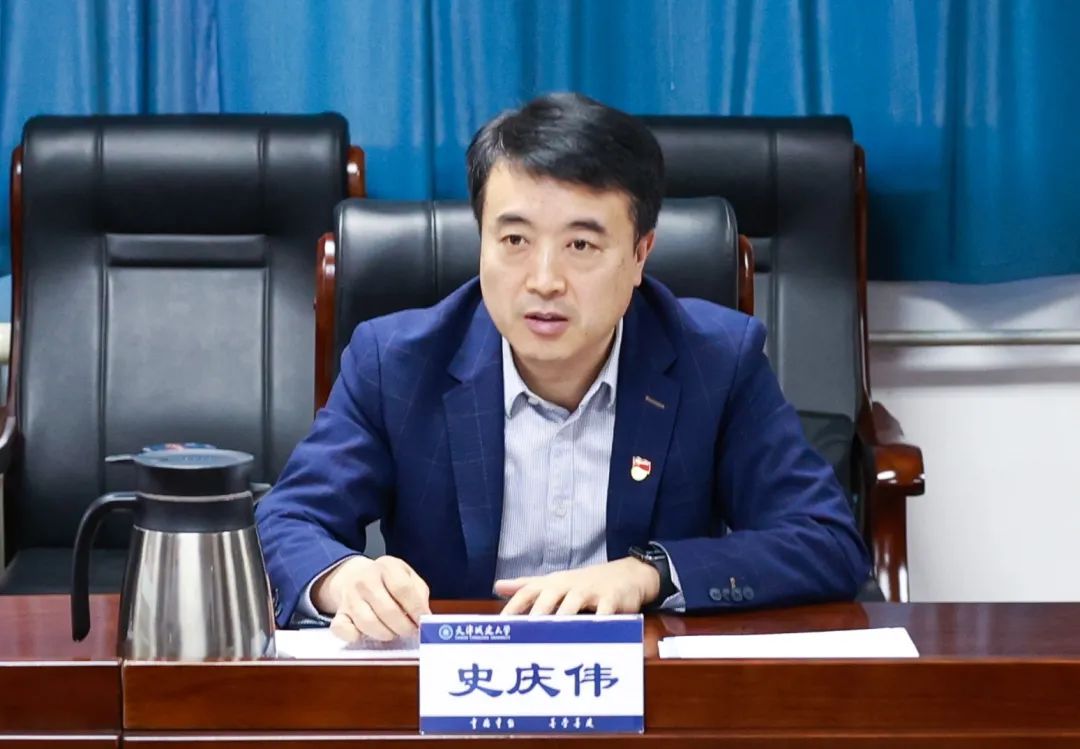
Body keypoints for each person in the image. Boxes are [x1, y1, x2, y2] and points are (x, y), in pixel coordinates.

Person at [255, 92, 870, 642]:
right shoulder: (396, 362)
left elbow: (826, 540)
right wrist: (341, 578)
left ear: (640, 254)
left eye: (581, 245)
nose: (544, 281)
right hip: (456, 692)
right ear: (481, 240)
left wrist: (650, 574)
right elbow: (286, 520)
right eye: (514, 240)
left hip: (641, 691)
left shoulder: (716, 360)